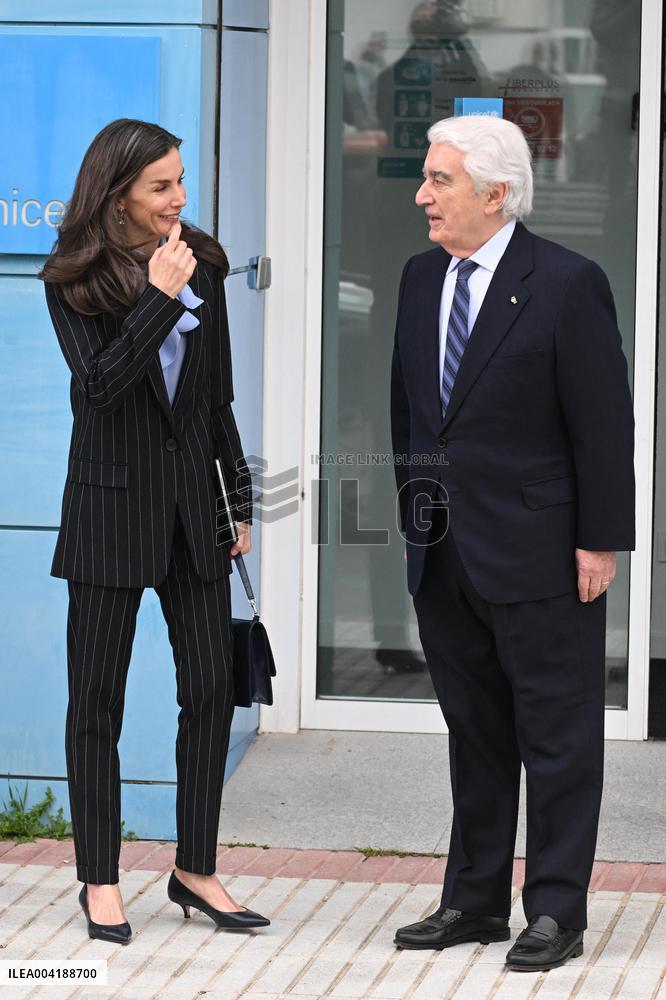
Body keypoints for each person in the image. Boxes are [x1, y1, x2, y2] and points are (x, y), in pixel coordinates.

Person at [390, 115, 635, 972]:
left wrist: (600, 542)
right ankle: (474, 901)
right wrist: (416, 521)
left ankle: (557, 911)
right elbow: (409, 416)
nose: (422, 196)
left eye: (440, 180)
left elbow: (602, 425)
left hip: (542, 551)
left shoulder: (566, 283)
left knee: (557, 738)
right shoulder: (421, 278)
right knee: (476, 731)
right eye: (427, 177)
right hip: (444, 551)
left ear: (496, 194)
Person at [39, 118, 269, 944]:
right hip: (109, 514)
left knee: (208, 692)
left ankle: (195, 870)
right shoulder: (71, 276)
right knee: (96, 702)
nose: (179, 198)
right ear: (117, 196)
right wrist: (157, 299)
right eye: (161, 186)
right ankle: (99, 880)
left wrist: (239, 501)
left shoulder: (202, 259)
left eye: (180, 181)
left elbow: (217, 399)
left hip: (194, 513)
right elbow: (99, 390)